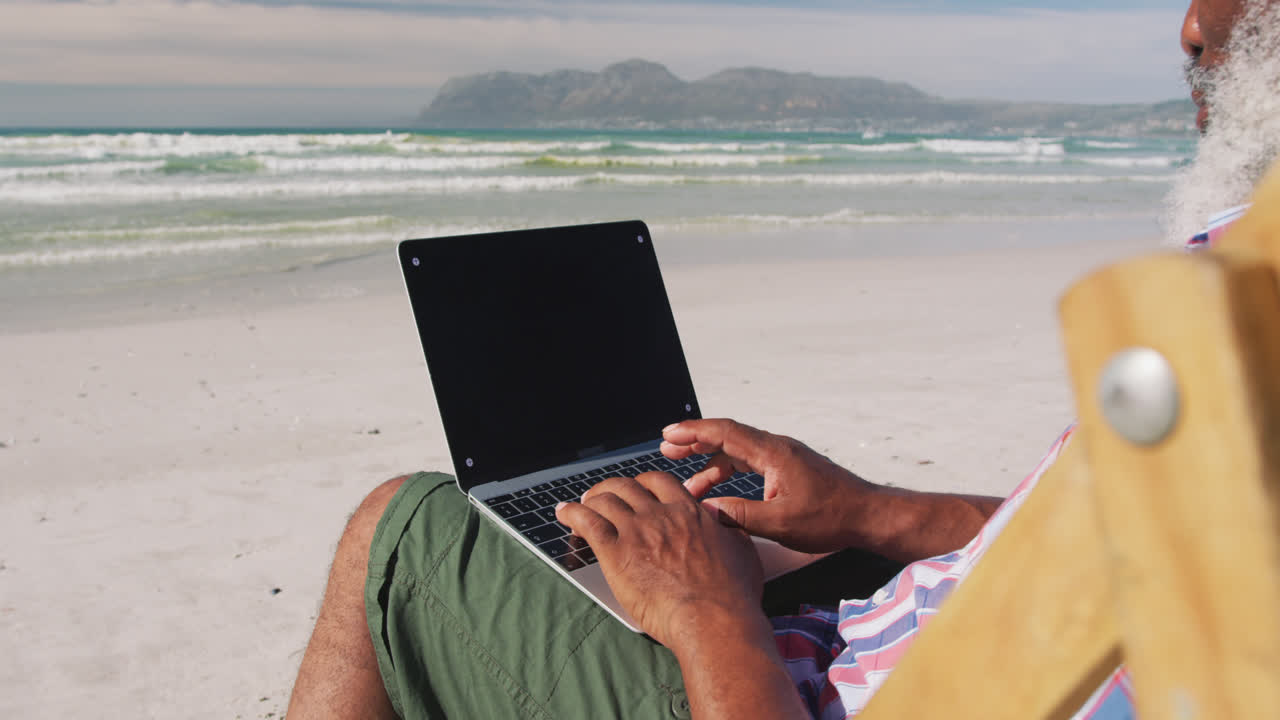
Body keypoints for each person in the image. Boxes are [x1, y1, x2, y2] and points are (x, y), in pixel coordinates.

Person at [287, 1, 1276, 717]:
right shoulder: (1245, 289)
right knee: (725, 532)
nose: (1193, 26)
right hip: (874, 635)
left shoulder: (1231, 309)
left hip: (770, 688)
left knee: (401, 527)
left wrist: (710, 618)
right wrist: (865, 512)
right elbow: (1135, 555)